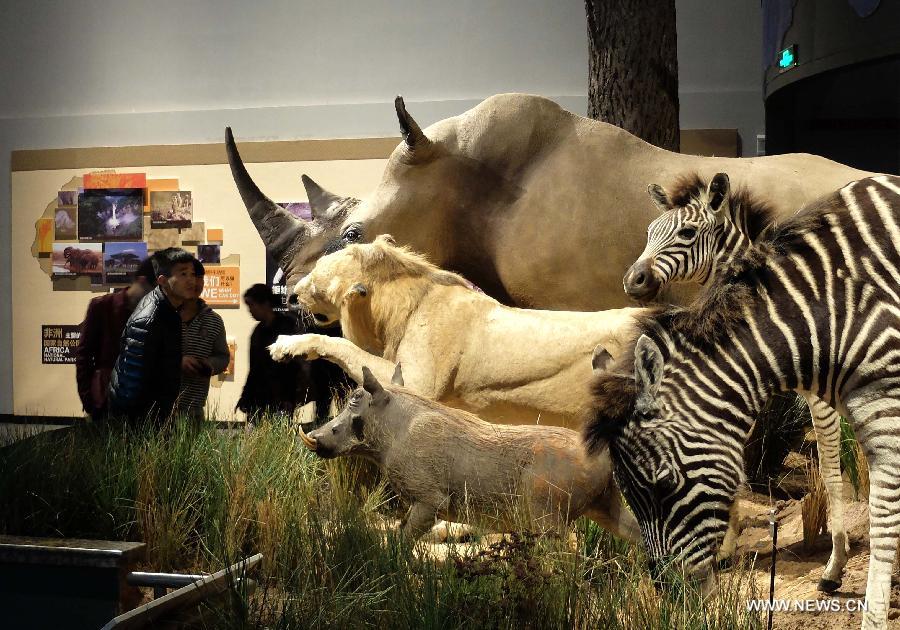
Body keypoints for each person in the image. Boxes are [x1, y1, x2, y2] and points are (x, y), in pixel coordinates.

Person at [107, 248, 197, 425]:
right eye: (183, 274)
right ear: (162, 281)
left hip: (156, 414)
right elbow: (130, 383)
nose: (191, 280)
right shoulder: (149, 318)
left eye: (192, 274)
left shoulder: (169, 309)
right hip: (141, 421)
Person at [75, 256, 156, 420]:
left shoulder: (154, 313)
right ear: (142, 281)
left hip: (143, 406)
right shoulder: (101, 306)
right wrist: (89, 400)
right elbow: (83, 355)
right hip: (104, 402)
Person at [236, 284, 303, 421]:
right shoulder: (258, 331)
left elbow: (294, 367)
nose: (250, 311)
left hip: (282, 398)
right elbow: (254, 368)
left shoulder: (288, 328)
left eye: (252, 305)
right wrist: (245, 397)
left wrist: (290, 398)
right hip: (258, 399)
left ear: (265, 304)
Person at [174, 259, 229, 420]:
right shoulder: (162, 315)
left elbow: (223, 356)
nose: (194, 282)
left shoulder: (214, 320)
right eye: (186, 276)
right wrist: (177, 361)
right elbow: (145, 353)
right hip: (158, 408)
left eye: (199, 277)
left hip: (194, 409)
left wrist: (210, 365)